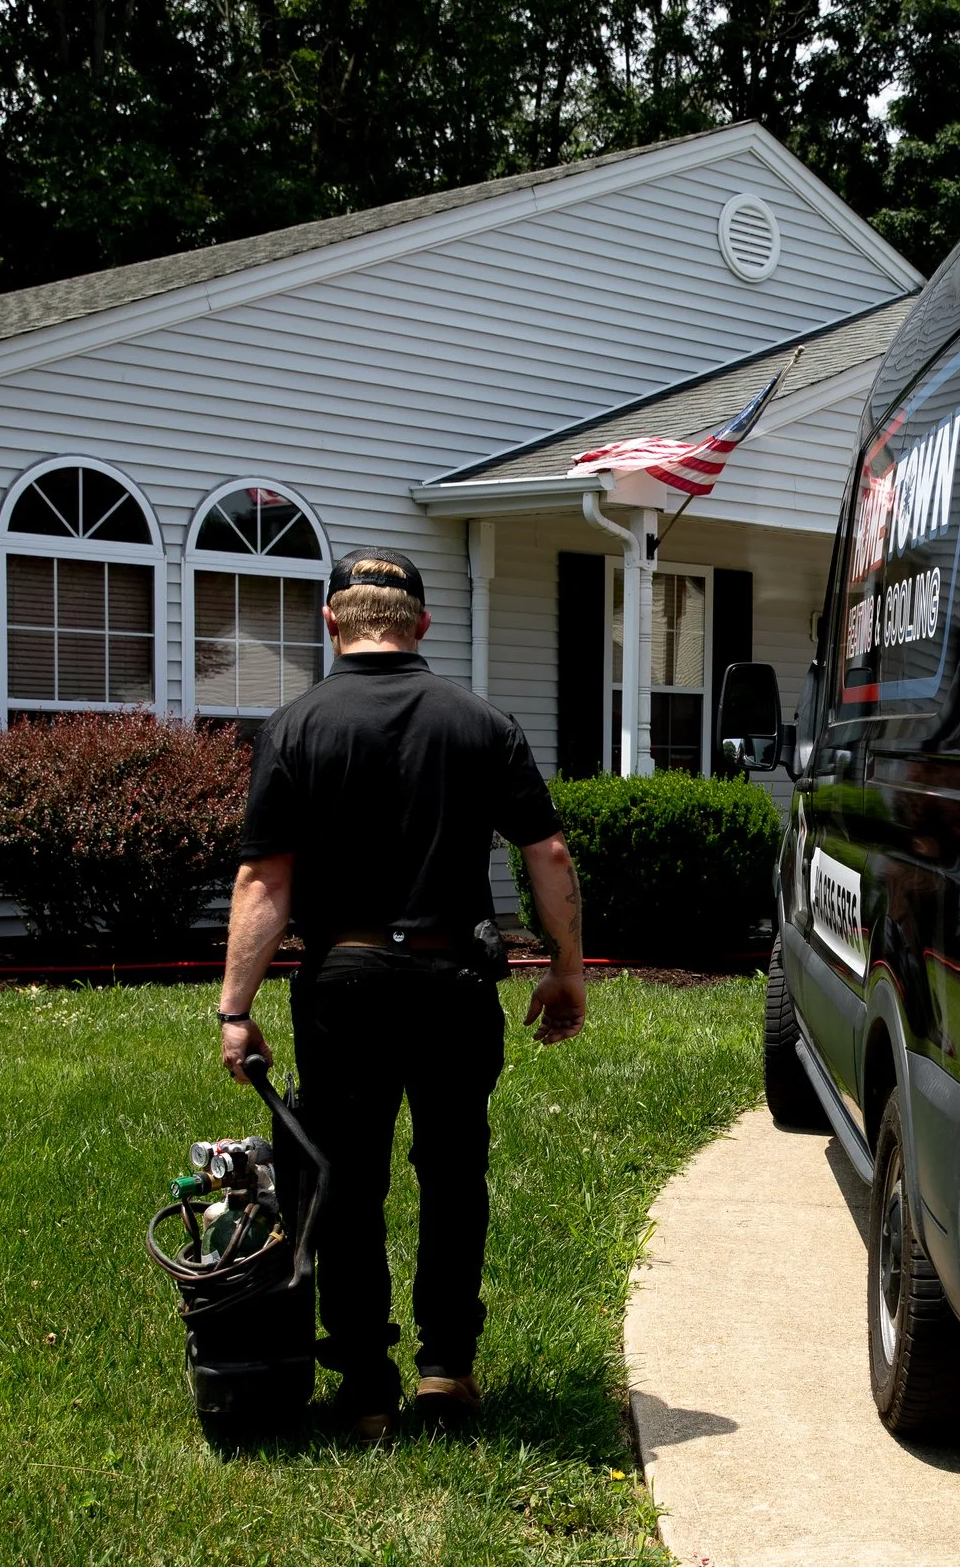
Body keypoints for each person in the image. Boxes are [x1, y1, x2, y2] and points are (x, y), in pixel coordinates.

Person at [214, 548, 588, 1442]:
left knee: (346, 1184)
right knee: (455, 1174)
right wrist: (568, 966)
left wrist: (236, 1008)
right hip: (453, 977)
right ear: (420, 626)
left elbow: (264, 879)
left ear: (332, 623)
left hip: (343, 983)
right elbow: (550, 854)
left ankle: (367, 1390)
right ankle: (446, 1370)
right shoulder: (482, 722)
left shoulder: (295, 725)